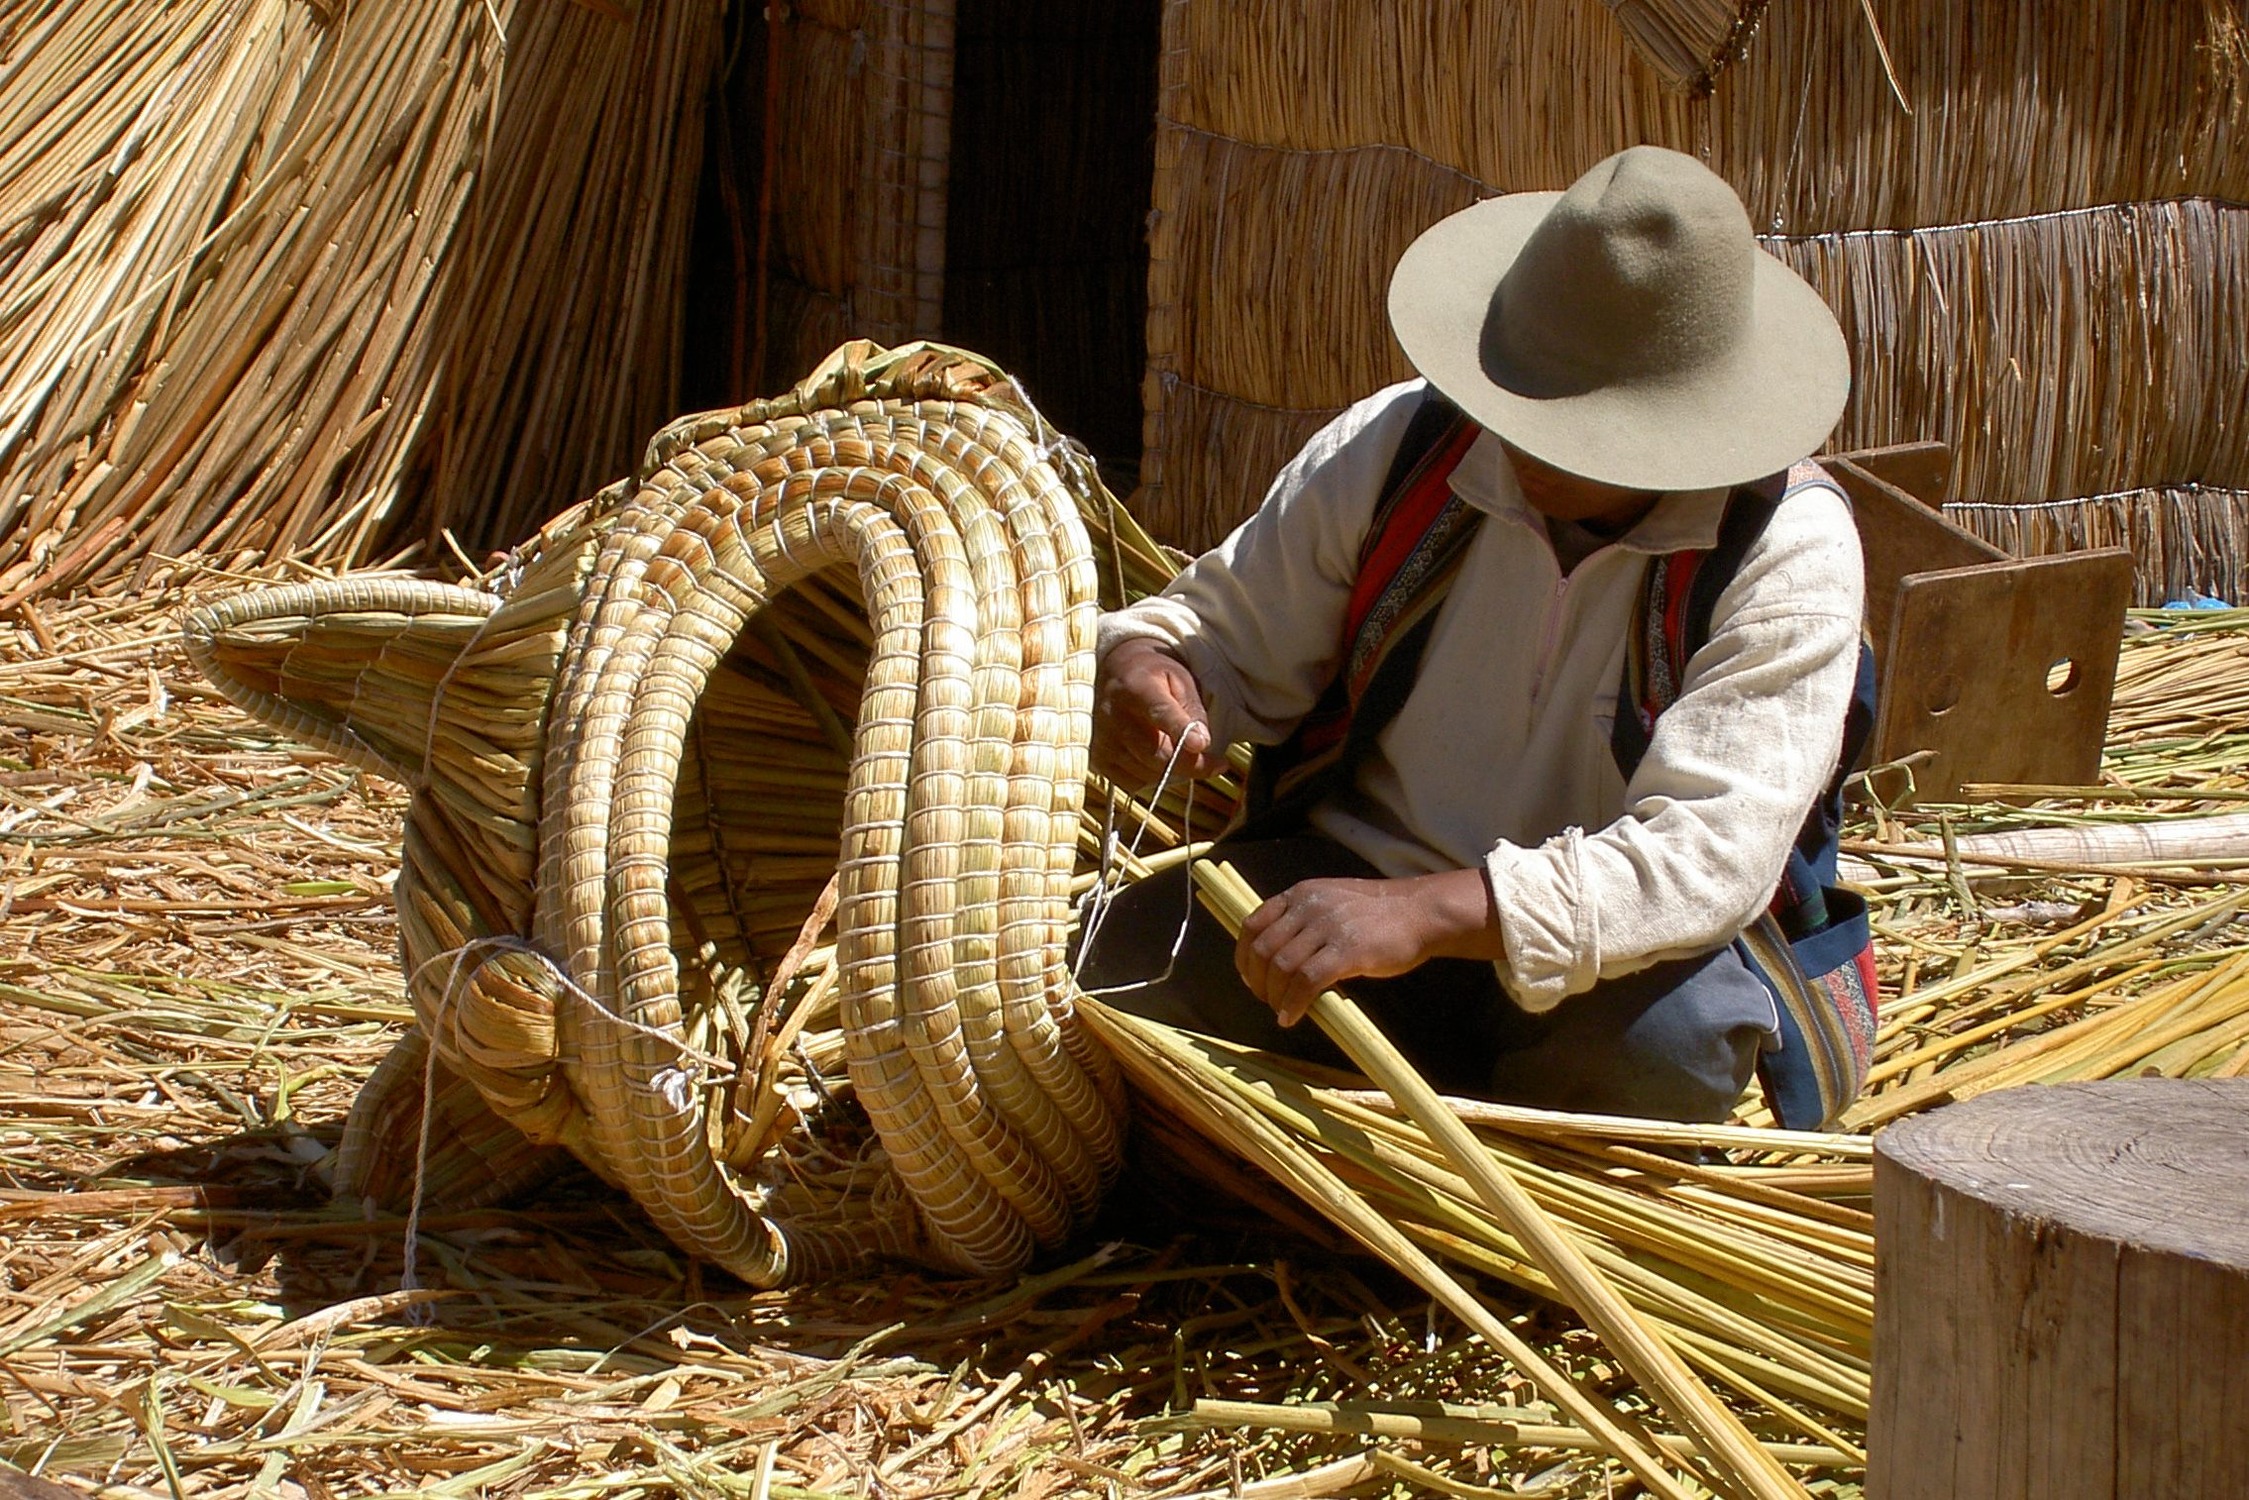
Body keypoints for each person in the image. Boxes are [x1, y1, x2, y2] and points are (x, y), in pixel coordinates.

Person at [1078, 145, 1870, 1123]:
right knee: (1108, 967)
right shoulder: (1402, 451)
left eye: (1575, 432)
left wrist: (1427, 914)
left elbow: (1706, 855)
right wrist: (1155, 668)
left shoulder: (1780, 551)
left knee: (1655, 1061)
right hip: (1348, 884)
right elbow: (1224, 627)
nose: (1524, 444)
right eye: (1518, 404)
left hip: (1603, 960)